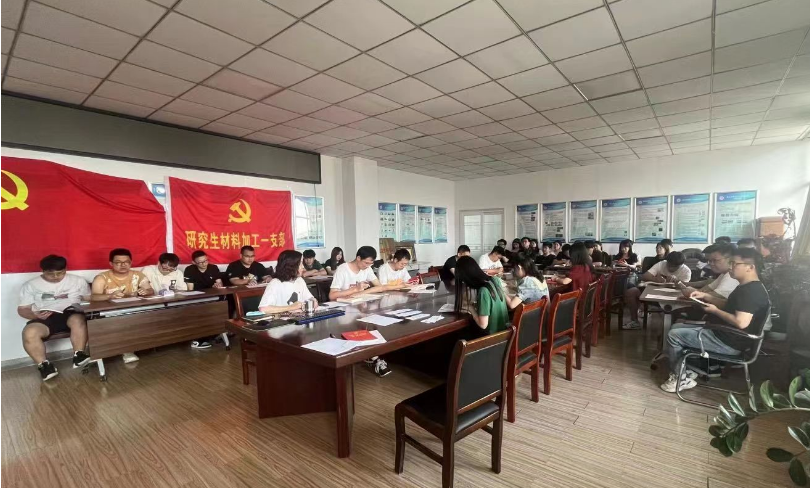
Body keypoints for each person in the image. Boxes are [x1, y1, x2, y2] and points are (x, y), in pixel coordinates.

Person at [660, 248, 770, 392]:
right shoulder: (749, 287)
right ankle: (685, 370)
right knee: (676, 328)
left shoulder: (749, 292)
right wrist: (705, 296)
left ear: (750, 267)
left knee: (674, 335)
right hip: (727, 336)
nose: (730, 267)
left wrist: (715, 311)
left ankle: (680, 378)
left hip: (729, 342)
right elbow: (729, 306)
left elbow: (741, 322)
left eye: (734, 263)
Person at [18, 255, 91, 381]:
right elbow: (23, 309)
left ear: (66, 269)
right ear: (42, 271)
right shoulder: (31, 285)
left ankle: (79, 354)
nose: (56, 277)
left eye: (60, 273)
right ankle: (44, 366)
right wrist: (35, 315)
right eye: (50, 274)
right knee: (29, 332)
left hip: (71, 313)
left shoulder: (78, 281)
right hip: (45, 316)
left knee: (78, 320)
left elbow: (89, 298)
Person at [329, 246, 394, 377]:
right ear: (358, 258)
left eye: (370, 264)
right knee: (366, 326)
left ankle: (372, 356)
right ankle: (373, 358)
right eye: (366, 263)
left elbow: (379, 287)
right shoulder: (343, 269)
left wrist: (363, 292)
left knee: (379, 323)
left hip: (360, 308)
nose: (367, 266)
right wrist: (355, 290)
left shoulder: (367, 269)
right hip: (344, 312)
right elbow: (332, 295)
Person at [91, 248, 154, 363]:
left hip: (135, 309)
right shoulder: (102, 278)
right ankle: (127, 350)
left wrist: (146, 291)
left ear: (131, 262)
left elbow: (150, 290)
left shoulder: (138, 275)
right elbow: (94, 297)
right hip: (111, 312)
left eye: (126, 262)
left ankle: (149, 344)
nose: (123, 265)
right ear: (111, 263)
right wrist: (110, 296)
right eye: (118, 262)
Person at [623, 251, 691, 330]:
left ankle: (673, 327)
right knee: (631, 292)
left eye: (674, 266)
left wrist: (677, 281)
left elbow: (683, 289)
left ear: (681, 265)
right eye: (669, 265)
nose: (670, 268)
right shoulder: (662, 264)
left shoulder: (686, 271)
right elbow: (645, 276)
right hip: (654, 294)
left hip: (673, 298)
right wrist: (656, 279)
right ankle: (634, 321)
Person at [454, 256, 509, 335]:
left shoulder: (483, 291)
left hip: (492, 337)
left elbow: (483, 325)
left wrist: (471, 308)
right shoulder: (495, 280)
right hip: (505, 333)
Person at [184, 250, 225, 349]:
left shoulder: (213, 268)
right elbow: (190, 289)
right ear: (194, 262)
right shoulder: (190, 270)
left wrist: (217, 286)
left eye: (206, 261)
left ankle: (217, 333)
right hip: (197, 299)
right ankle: (199, 339)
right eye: (200, 262)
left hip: (213, 297)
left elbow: (220, 284)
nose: (204, 264)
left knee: (224, 307)